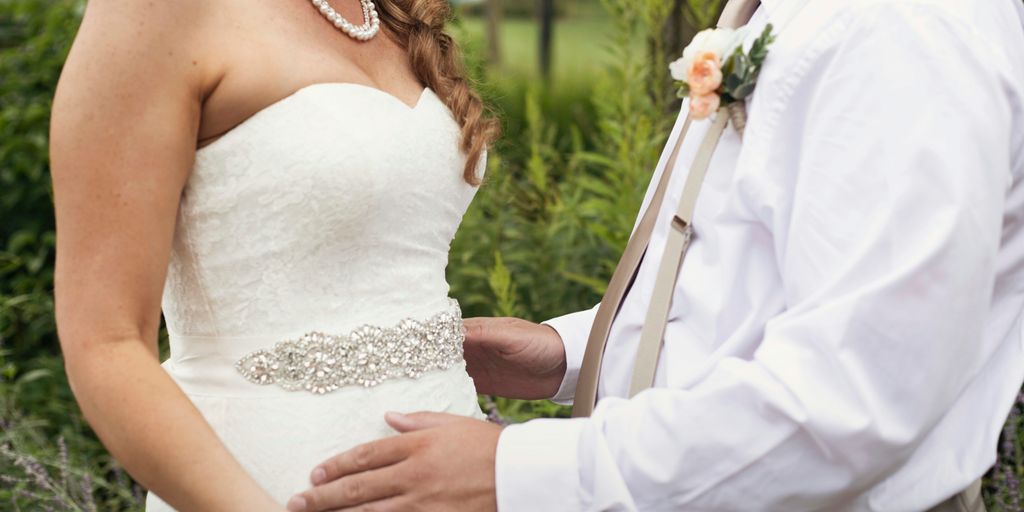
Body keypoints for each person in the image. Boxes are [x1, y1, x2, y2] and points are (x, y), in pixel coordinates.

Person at [292, 0, 1024, 510]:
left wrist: (518, 473)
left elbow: (852, 401)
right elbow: (743, 280)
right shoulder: (795, 13)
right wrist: (571, 354)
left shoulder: (900, 28)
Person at [49, 0, 498, 509]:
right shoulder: (153, 13)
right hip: (268, 483)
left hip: (462, 481)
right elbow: (106, 343)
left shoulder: (384, 10)